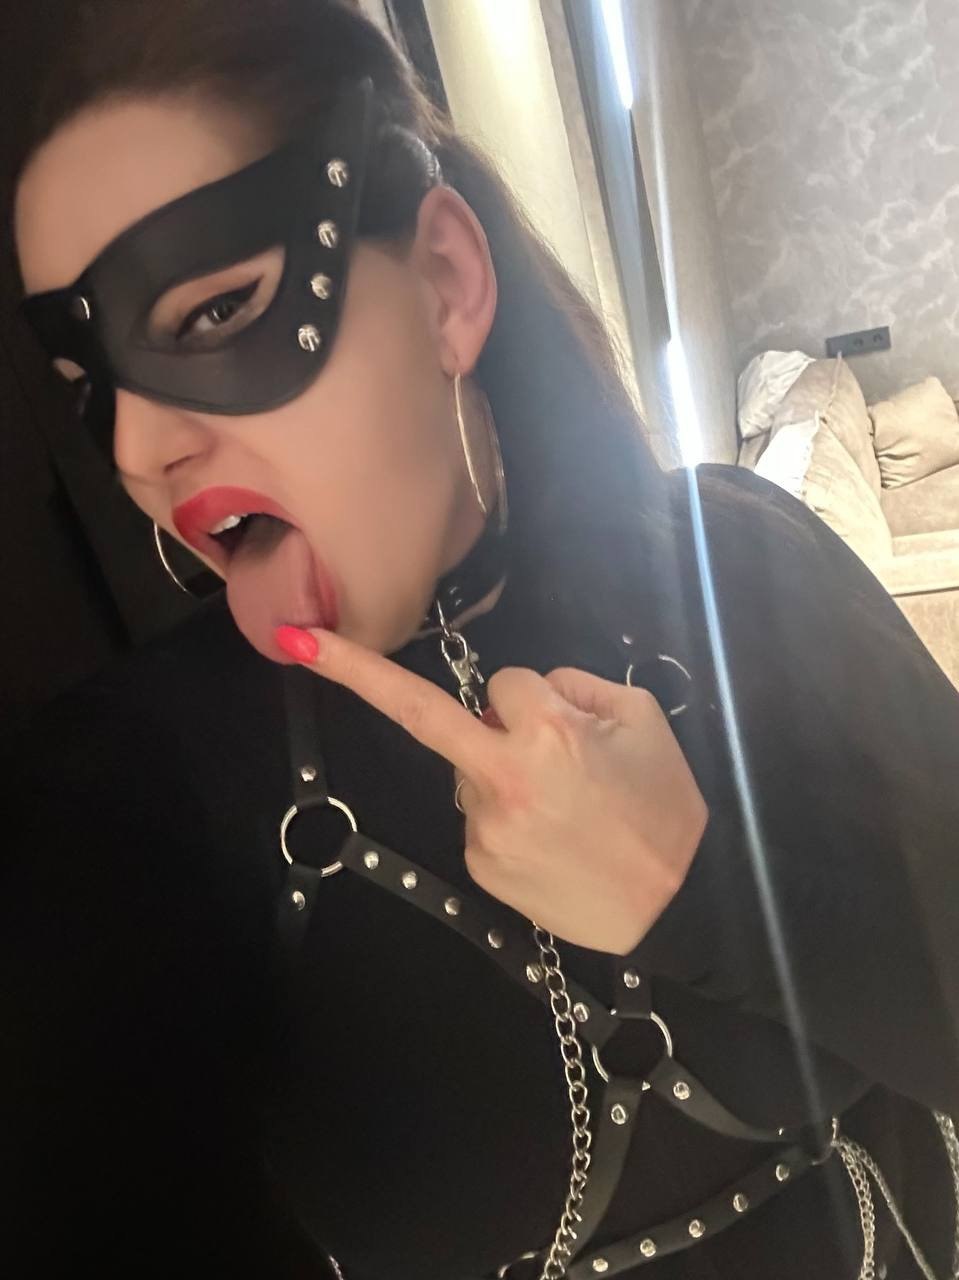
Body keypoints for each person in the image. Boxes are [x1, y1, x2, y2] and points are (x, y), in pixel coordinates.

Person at [5, 1, 959, 1277]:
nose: (136, 448)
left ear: (446, 284)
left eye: (215, 312)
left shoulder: (740, 566)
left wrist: (702, 891)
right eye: (92, 387)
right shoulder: (127, 800)